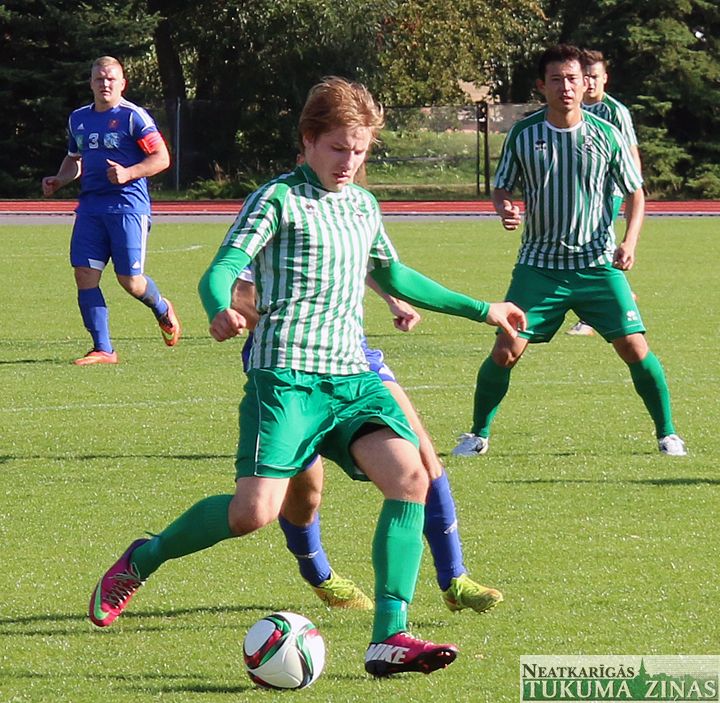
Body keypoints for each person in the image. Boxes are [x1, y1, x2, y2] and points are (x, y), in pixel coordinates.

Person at [88, 77, 526, 678]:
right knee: (253, 514)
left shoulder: (363, 205)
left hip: (351, 378)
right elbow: (223, 270)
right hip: (287, 380)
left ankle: (389, 636)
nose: (350, 162)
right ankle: (144, 558)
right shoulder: (277, 199)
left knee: (410, 477)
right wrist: (219, 308)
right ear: (309, 140)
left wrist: (484, 309)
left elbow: (395, 276)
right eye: (338, 148)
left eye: (360, 151)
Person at [452, 44, 687, 459]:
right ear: (542, 86)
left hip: (597, 264)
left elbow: (635, 193)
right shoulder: (524, 134)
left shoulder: (606, 134)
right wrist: (504, 207)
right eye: (556, 79)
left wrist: (629, 241)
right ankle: (476, 435)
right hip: (539, 267)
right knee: (506, 350)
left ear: (584, 84)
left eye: (573, 79)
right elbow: (502, 185)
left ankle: (668, 434)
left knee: (634, 347)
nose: (566, 87)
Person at [232, 271, 504, 615]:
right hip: (287, 367)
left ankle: (455, 580)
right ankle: (319, 575)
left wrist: (392, 298)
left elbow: (369, 260)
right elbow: (239, 295)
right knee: (305, 493)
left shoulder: (353, 230)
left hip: (354, 358)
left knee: (422, 457)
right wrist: (295, 330)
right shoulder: (270, 233)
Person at [42, 56, 180, 365]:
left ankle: (162, 308)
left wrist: (129, 173)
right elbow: (74, 158)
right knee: (84, 274)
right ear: (91, 83)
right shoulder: (78, 118)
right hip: (91, 207)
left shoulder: (134, 117)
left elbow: (161, 158)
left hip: (128, 207)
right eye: (99, 79)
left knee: (130, 281)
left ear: (122, 83)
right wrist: (60, 179)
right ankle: (103, 349)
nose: (105, 83)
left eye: (110, 79)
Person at [567, 48, 641, 337]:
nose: (590, 82)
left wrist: (633, 187)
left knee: (594, 245)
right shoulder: (576, 108)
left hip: (609, 191)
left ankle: (591, 316)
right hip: (582, 190)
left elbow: (630, 153)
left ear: (605, 78)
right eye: (586, 77)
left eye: (595, 77)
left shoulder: (615, 112)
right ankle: (620, 295)